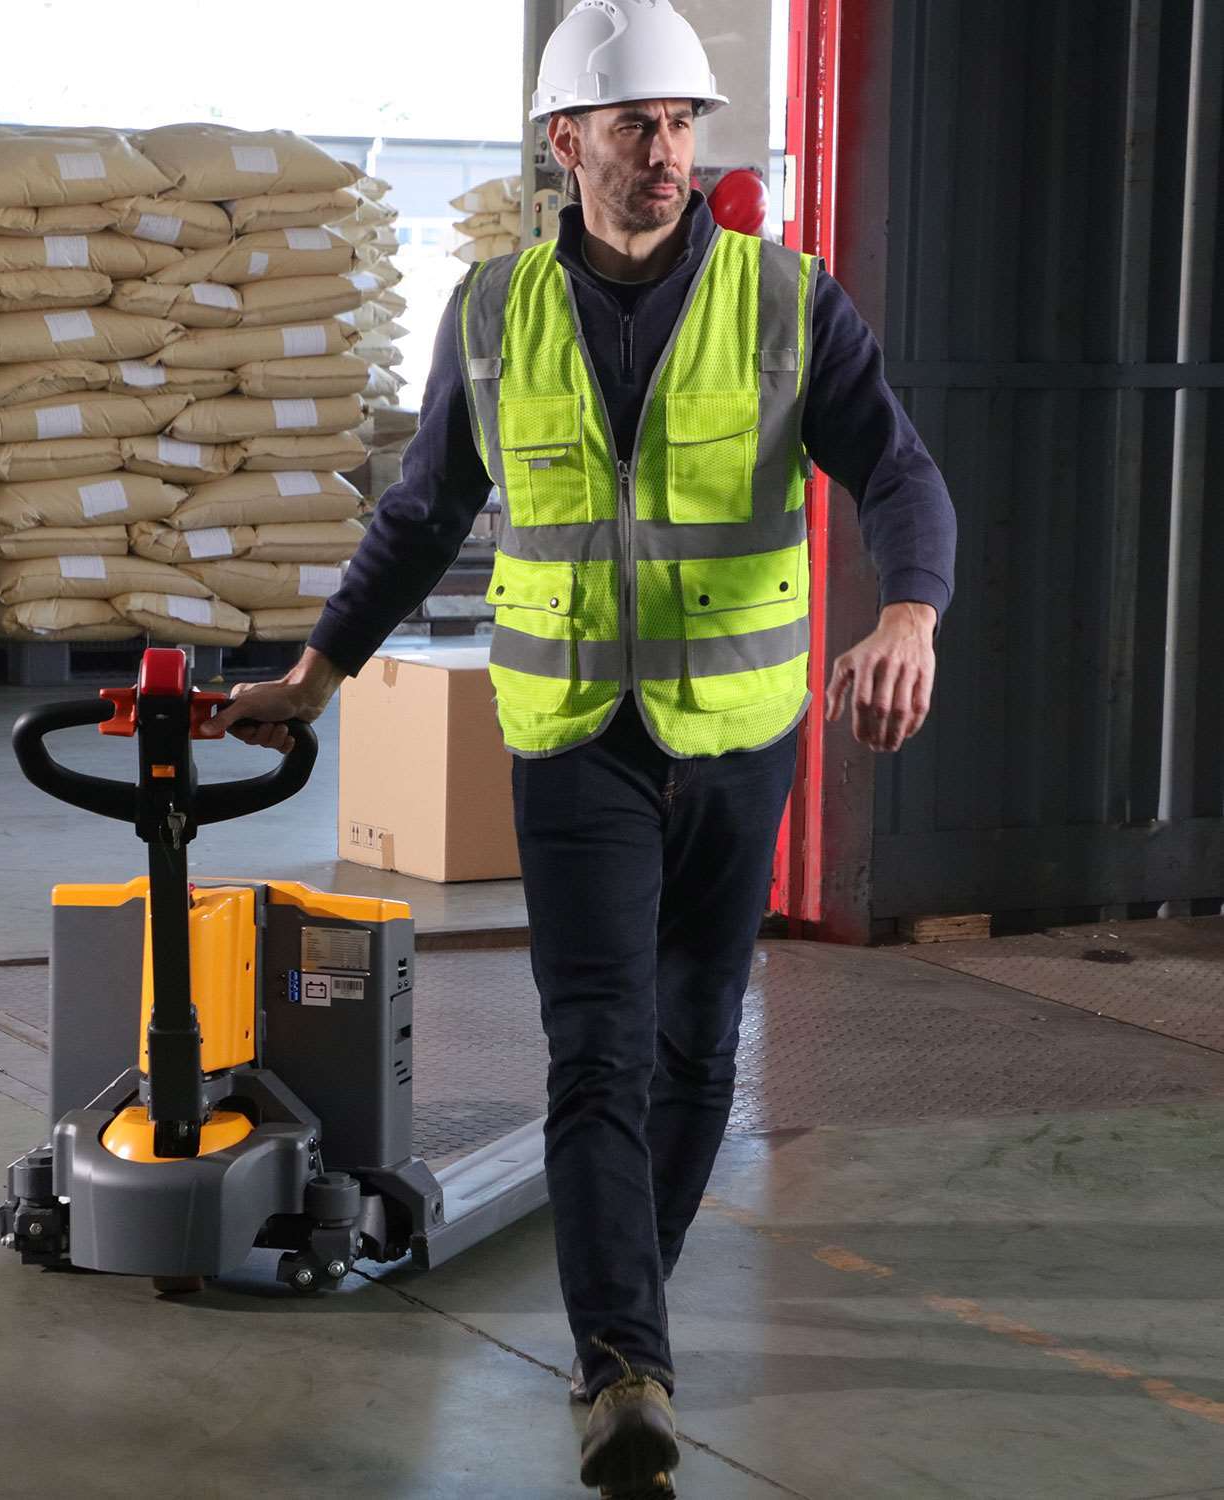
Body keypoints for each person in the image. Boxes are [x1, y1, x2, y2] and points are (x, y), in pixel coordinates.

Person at [205, 3, 955, 1493]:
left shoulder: (784, 301)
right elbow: (422, 512)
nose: (665, 152)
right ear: (567, 143)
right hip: (572, 739)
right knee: (598, 1047)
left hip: (737, 733)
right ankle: (622, 1368)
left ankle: (630, 1314)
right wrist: (319, 671)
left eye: (680, 124)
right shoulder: (495, 313)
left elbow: (899, 471)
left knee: (695, 1047)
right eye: (633, 126)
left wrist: (912, 615)